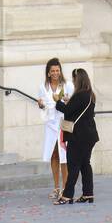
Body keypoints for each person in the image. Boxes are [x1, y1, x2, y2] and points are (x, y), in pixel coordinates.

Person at [55, 67, 99, 204]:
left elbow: (67, 111)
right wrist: (69, 102)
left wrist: (58, 101)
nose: (73, 82)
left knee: (73, 165)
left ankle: (67, 195)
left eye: (74, 79)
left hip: (79, 136)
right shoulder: (90, 94)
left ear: (77, 80)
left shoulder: (80, 95)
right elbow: (79, 111)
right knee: (85, 164)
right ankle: (88, 193)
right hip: (90, 135)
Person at [37, 57, 72, 202]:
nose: (56, 73)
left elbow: (72, 103)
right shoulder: (43, 87)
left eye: (58, 70)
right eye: (53, 71)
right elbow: (42, 104)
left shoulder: (67, 85)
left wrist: (66, 101)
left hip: (63, 123)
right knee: (54, 154)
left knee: (64, 155)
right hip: (50, 124)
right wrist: (40, 104)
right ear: (49, 73)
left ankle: (66, 187)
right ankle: (56, 187)